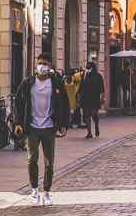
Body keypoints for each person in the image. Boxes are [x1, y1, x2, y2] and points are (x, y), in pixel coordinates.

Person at [13, 53, 69, 206]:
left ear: (49, 66)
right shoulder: (28, 83)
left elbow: (64, 104)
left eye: (45, 63)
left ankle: (47, 192)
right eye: (40, 63)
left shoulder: (56, 84)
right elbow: (18, 103)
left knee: (49, 162)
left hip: (49, 127)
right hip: (32, 127)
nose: (42, 66)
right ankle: (34, 191)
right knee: (32, 159)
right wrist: (17, 122)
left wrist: (64, 124)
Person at [79, 60, 105, 138]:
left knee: (94, 114)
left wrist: (102, 98)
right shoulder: (84, 76)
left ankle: (96, 125)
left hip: (94, 97)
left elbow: (102, 89)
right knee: (87, 115)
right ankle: (89, 132)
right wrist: (79, 97)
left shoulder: (98, 76)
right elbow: (80, 88)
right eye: (86, 67)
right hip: (85, 97)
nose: (87, 68)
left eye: (89, 67)